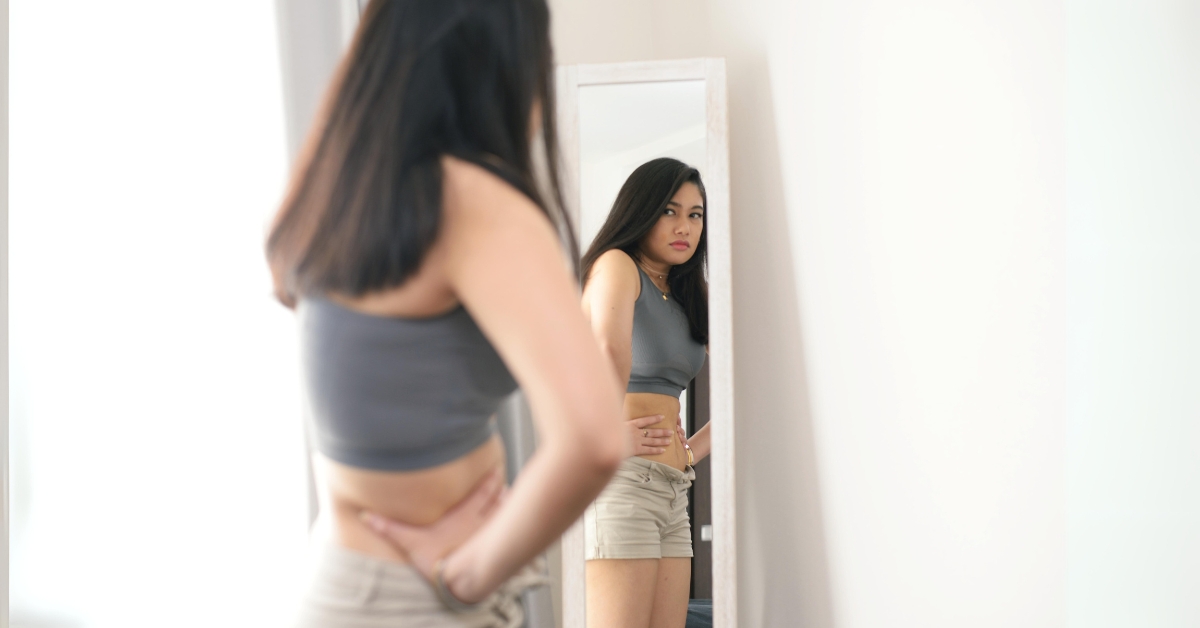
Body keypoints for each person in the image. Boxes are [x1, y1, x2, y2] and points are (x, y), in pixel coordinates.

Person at [265, 1, 627, 625]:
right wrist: (466, 576)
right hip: (414, 599)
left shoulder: (341, 182)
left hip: (354, 583)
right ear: (500, 58)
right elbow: (594, 440)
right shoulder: (472, 202)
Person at [579, 157, 713, 628]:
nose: (684, 226)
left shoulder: (687, 294)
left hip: (676, 492)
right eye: (669, 211)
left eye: (695, 215)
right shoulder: (617, 265)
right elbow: (609, 353)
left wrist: (690, 451)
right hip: (623, 482)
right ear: (642, 211)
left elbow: (744, 384)